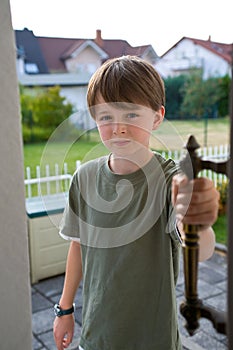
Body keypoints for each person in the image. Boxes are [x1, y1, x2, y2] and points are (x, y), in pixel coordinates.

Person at [53, 55, 219, 350]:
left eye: (130, 115)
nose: (118, 128)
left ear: (157, 116)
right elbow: (77, 245)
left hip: (154, 339)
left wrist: (197, 221)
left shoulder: (171, 180)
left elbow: (201, 249)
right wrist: (65, 309)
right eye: (106, 117)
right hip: (95, 337)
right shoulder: (84, 178)